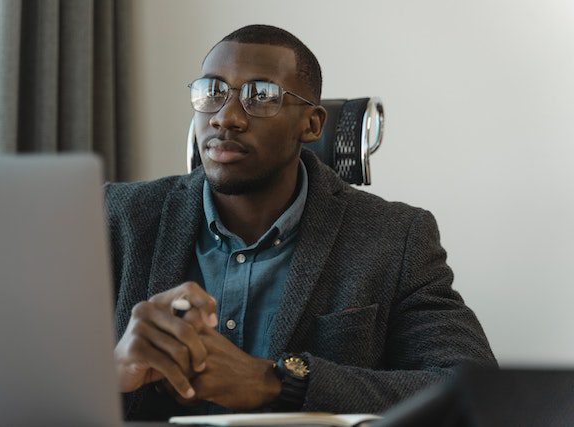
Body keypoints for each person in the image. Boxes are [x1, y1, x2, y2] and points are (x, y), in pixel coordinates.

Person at [105, 24, 496, 421]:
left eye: (262, 96)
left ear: (311, 124)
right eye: (213, 91)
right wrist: (110, 374)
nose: (227, 118)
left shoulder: (393, 238)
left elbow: (472, 390)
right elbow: (43, 372)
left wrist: (275, 383)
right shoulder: (118, 219)